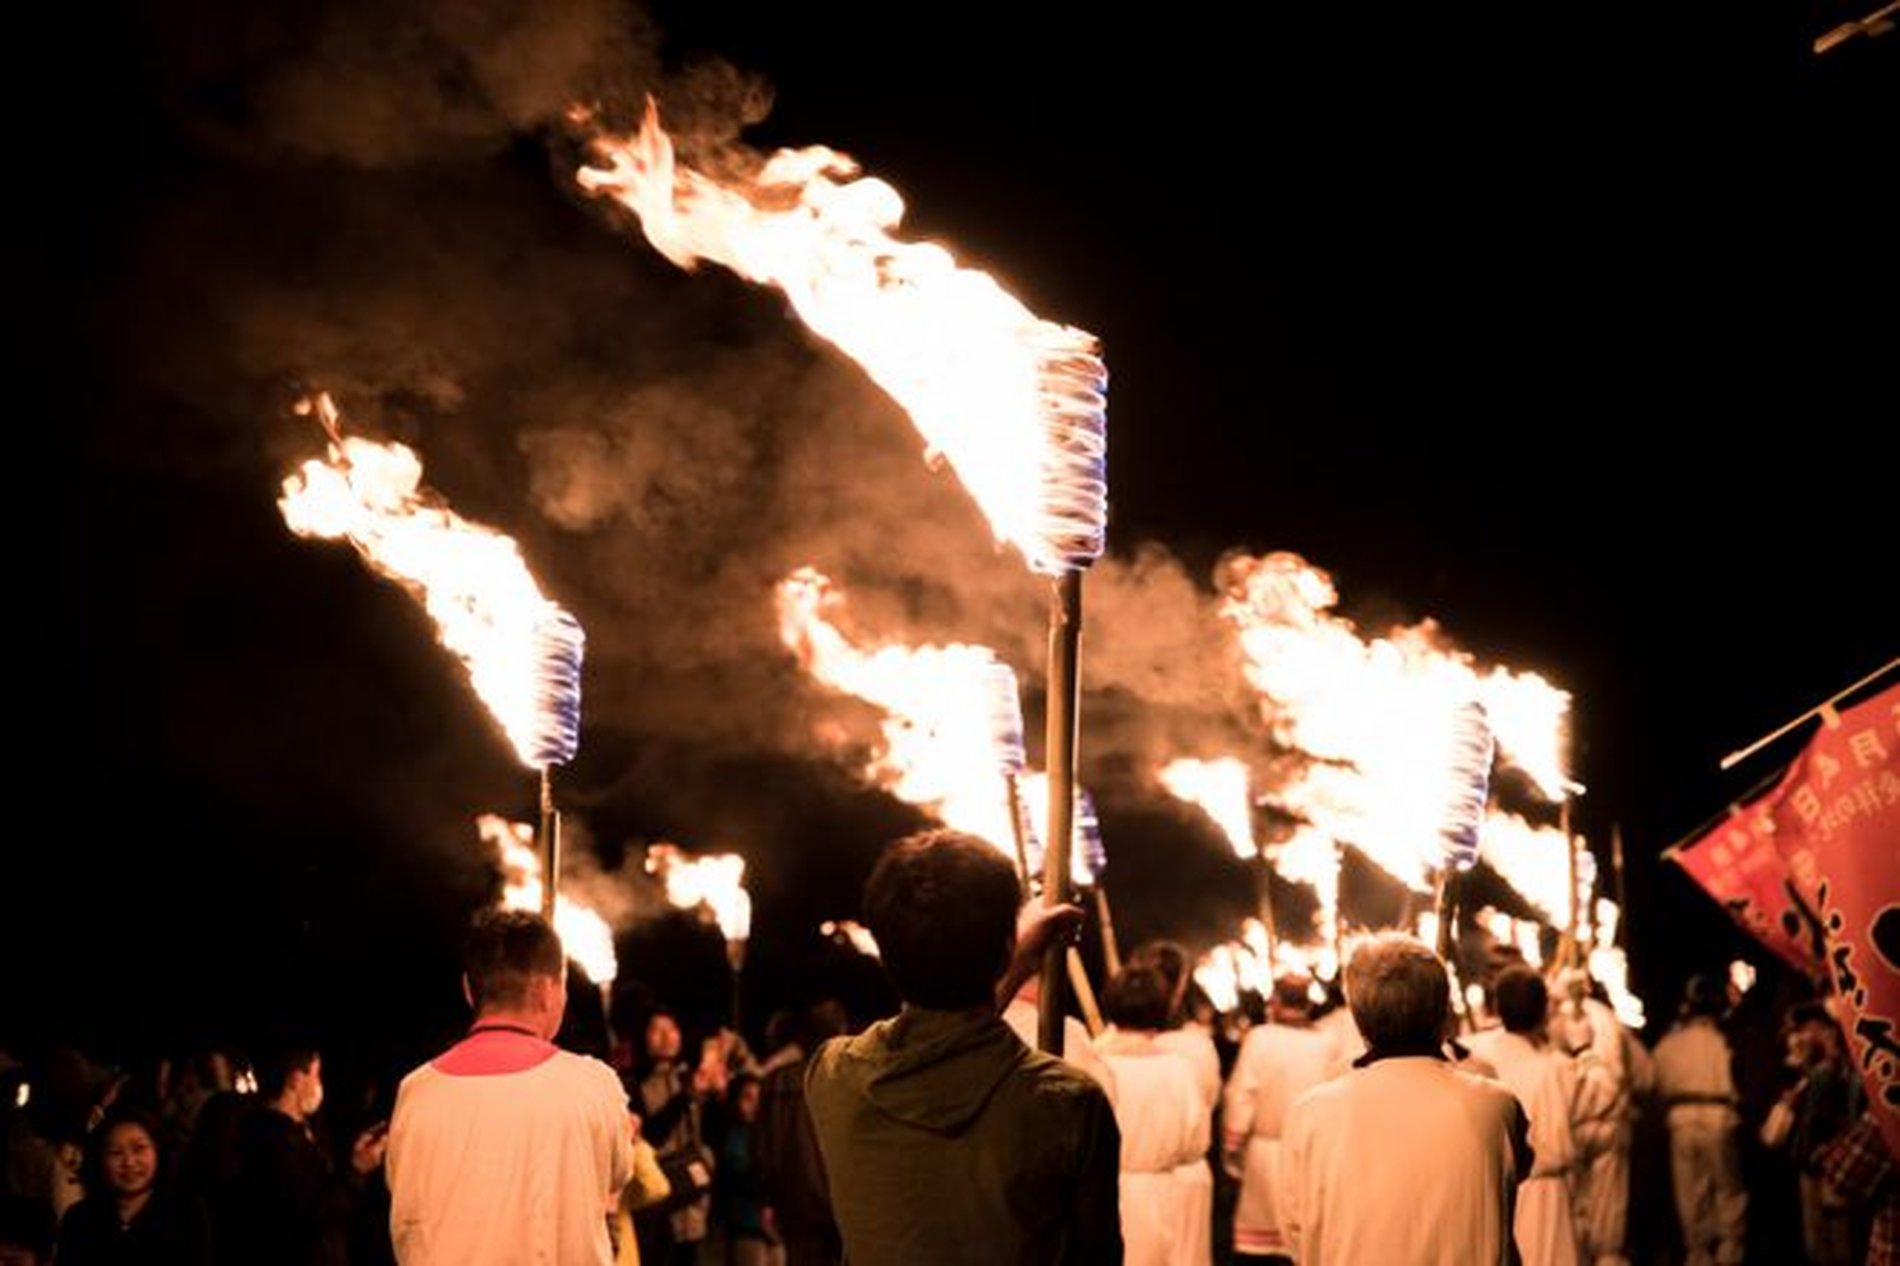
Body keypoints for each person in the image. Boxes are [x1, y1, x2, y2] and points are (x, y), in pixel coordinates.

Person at [803, 827, 1123, 1265]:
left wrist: (1013, 960)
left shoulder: (833, 1077)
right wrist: (1014, 961)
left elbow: (941, 1040)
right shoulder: (1067, 1103)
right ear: (1005, 947)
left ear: (881, 950)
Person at [385, 907, 635, 1265]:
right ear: (546, 990)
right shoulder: (593, 1086)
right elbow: (618, 1174)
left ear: (468, 989)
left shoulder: (415, 1092)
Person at [1281, 932, 1532, 1265]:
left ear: (1359, 1018)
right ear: (1443, 1012)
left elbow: (1297, 1230)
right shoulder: (1495, 1105)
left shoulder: (1311, 1113)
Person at [1465, 964, 1585, 1266]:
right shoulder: (1555, 1068)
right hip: (1543, 1196)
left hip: (1493, 1195)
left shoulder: (1474, 1054)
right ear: (1544, 1013)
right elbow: (1605, 1095)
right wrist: (1584, 1048)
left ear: (1497, 1008)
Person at [1093, 963, 1213, 1265]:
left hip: (1105, 1196)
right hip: (1163, 1194)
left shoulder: (1095, 1064)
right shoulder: (1179, 1068)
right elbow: (1195, 1142)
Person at [1220, 973, 1338, 1264]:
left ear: (1275, 1002)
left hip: (1266, 1156)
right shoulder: (1328, 1043)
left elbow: (1242, 1094)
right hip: (1310, 1155)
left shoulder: (1260, 1038)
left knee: (1265, 1252)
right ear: (1308, 1004)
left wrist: (1232, 1144)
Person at [232, 1041, 384, 1266]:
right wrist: (356, 1171)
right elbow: (308, 1214)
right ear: (296, 1079)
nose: (319, 1085)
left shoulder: (299, 1132)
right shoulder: (272, 1140)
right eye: (316, 1075)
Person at [1651, 974, 1747, 1266]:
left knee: (1690, 1191)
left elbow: (1654, 1081)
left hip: (1681, 1118)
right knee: (1728, 1187)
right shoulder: (1726, 1040)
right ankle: (1729, 1251)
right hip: (1719, 1116)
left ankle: (1698, 1253)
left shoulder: (1670, 1042)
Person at [54, 1104, 213, 1265]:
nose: (129, 1162)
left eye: (139, 1149)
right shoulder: (79, 1218)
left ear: (157, 1151)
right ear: (99, 1160)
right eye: (115, 1152)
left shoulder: (185, 1212)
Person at [753, 1001, 846, 1266]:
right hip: (842, 1198)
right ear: (841, 1031)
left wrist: (767, 1197)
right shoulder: (845, 1076)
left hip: (795, 1201)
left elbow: (762, 1147)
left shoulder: (776, 1080)